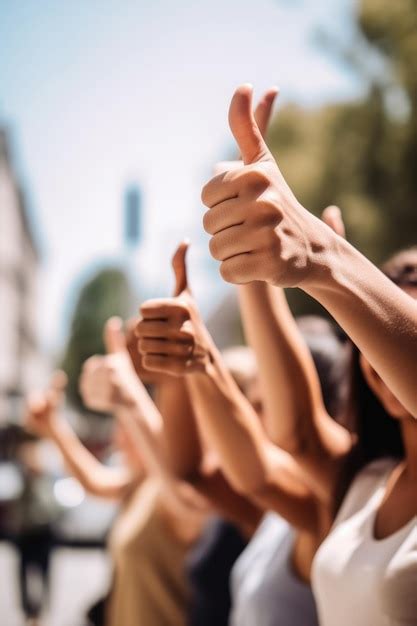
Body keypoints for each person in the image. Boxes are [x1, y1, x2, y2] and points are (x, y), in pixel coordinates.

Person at [201, 83, 417, 419]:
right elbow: (296, 433)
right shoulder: (363, 468)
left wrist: (323, 256)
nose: (390, 350)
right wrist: (251, 250)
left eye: (398, 322)